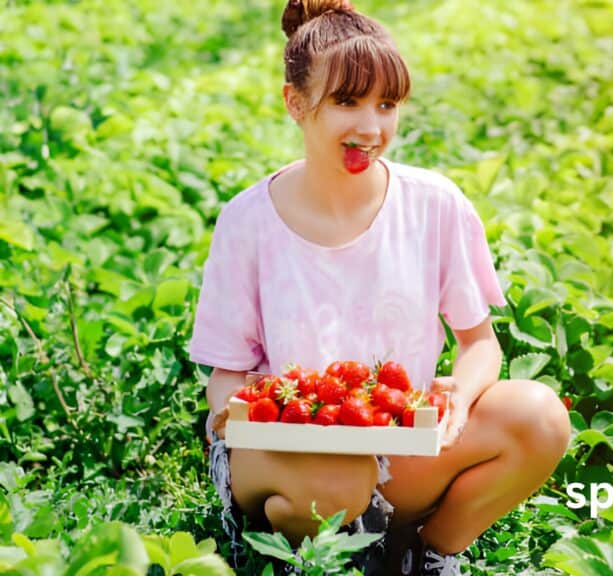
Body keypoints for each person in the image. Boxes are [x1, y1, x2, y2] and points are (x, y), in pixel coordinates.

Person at [187, 1, 572, 574]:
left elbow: (480, 344)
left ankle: (422, 554)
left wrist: (457, 401)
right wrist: (237, 415)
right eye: (347, 101)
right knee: (337, 477)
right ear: (295, 103)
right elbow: (227, 377)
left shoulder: (434, 206)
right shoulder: (249, 222)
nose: (372, 128)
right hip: (286, 451)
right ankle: (285, 543)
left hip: (395, 443)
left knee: (539, 417)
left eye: (386, 104)